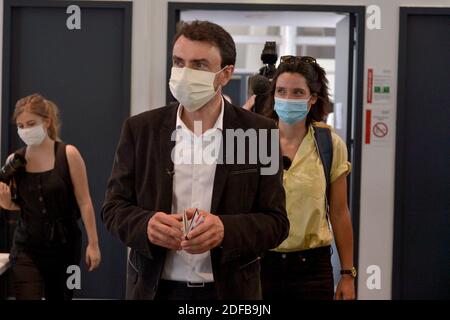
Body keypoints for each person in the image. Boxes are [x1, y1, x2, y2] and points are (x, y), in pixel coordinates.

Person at [101, 20, 289, 300]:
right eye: (179, 62)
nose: (185, 73)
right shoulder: (141, 130)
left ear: (226, 74)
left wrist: (226, 229)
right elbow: (113, 209)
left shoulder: (259, 133)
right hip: (155, 289)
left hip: (230, 291)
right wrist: (146, 224)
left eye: (199, 65)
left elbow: (276, 223)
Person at [260, 55, 356, 300]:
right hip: (260, 263)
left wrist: (347, 273)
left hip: (312, 268)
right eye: (281, 91)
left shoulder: (329, 144)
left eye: (297, 92)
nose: (287, 99)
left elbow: (339, 212)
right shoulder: (253, 141)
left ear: (312, 98)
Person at [0, 94, 101, 300]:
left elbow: (85, 201)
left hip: (65, 246)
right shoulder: (15, 160)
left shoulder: (68, 154)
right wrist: (5, 202)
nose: (25, 130)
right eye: (20, 125)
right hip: (26, 247)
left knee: (63, 296)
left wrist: (94, 244)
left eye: (31, 124)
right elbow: (21, 206)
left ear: (46, 121)